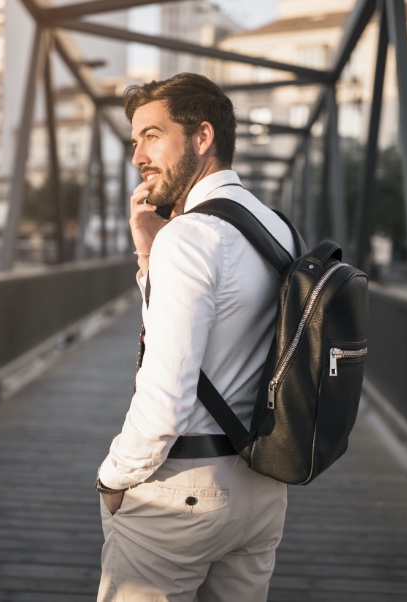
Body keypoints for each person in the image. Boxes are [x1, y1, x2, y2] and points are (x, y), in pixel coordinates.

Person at [95, 72, 296, 601]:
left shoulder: (190, 236)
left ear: (202, 137)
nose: (137, 154)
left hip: (180, 494)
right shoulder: (276, 228)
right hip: (261, 488)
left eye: (152, 136)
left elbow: (165, 396)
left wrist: (114, 479)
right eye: (134, 140)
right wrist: (148, 253)